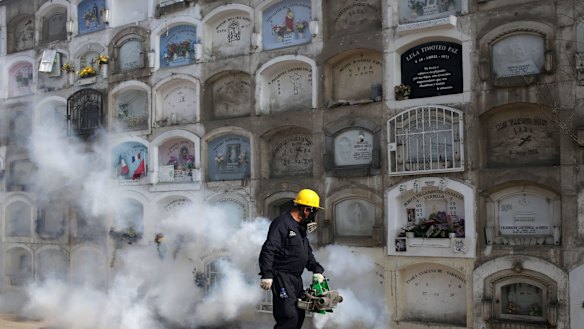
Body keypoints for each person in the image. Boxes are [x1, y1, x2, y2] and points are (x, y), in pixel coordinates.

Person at [259, 188, 325, 329]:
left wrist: (316, 269)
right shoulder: (282, 223)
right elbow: (268, 249)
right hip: (282, 276)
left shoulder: (300, 228)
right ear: (306, 209)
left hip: (295, 279)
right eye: (314, 211)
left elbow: (306, 252)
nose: (314, 216)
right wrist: (267, 274)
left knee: (299, 314)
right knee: (289, 316)